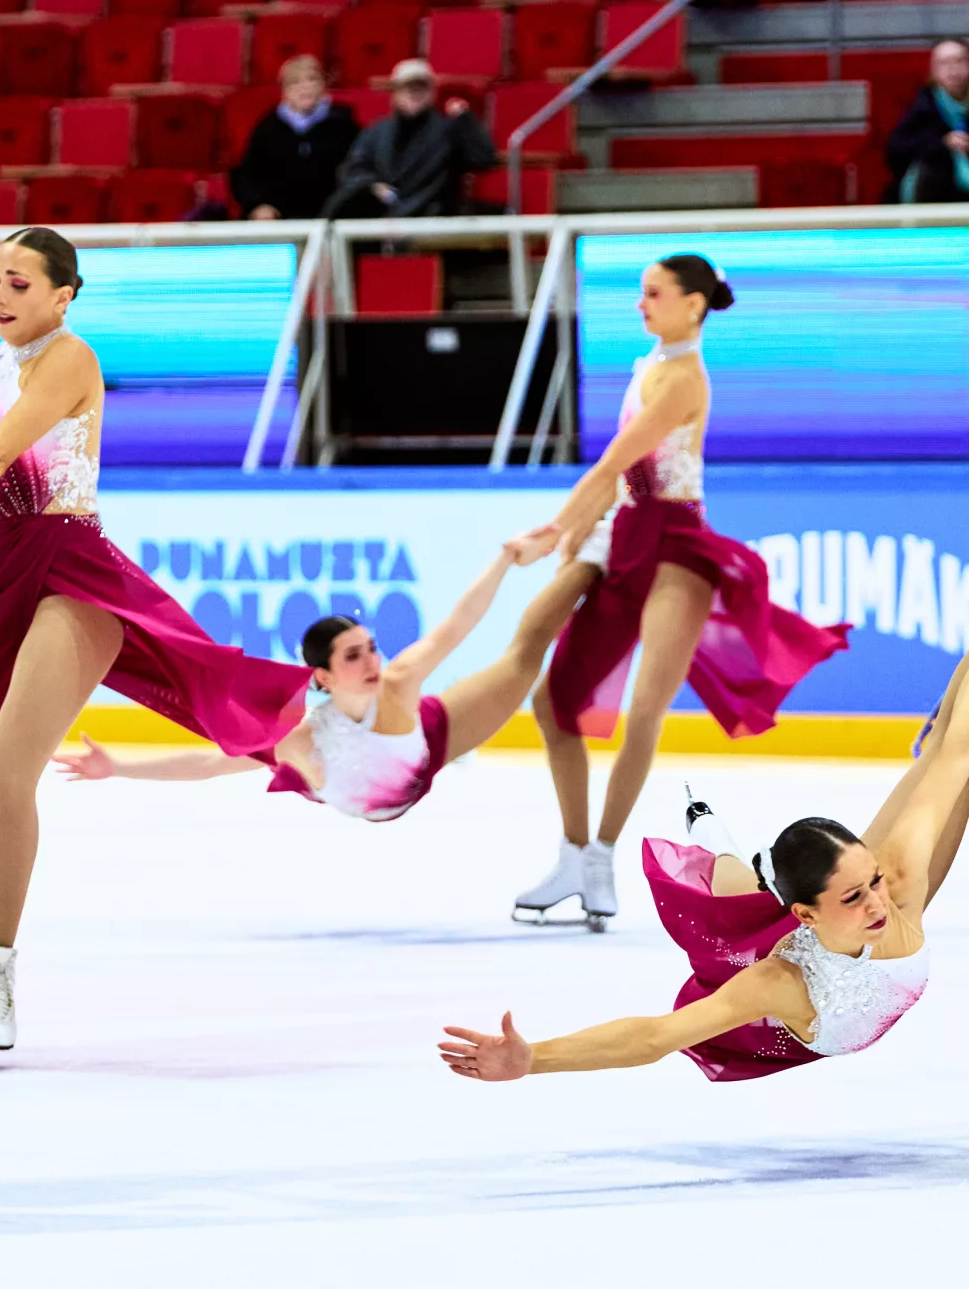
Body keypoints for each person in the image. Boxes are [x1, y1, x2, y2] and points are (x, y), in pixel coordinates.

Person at [0, 228, 312, 1069]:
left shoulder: (70, 357)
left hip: (70, 573)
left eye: (19, 283)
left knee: (11, 778)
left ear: (63, 295)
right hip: (2, 574)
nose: (0, 295)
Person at [441, 636, 969, 1090]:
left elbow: (956, 748)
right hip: (799, 985)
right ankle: (716, 832)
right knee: (732, 882)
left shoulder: (894, 881)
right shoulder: (777, 982)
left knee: (955, 764)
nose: (877, 904)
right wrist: (535, 1058)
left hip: (820, 919)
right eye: (853, 897)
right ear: (804, 914)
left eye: (868, 882)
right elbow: (654, 1037)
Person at [509, 255, 850, 932]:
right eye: (641, 293)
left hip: (678, 547)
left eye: (654, 293)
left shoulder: (687, 377)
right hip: (628, 533)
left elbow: (613, 460)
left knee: (644, 709)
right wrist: (581, 534)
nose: (642, 303)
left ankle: (602, 854)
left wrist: (554, 530)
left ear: (693, 304)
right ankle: (574, 851)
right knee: (555, 700)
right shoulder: (647, 366)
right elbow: (616, 474)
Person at [52, 523, 585, 823]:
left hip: (434, 739)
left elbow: (456, 626)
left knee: (524, 657)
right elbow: (210, 763)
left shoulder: (398, 684)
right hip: (369, 783)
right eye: (353, 656)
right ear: (323, 678)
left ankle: (589, 570)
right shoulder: (303, 740)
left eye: (371, 648)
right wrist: (117, 767)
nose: (372, 661)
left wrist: (505, 557)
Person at [321, 58, 497, 219]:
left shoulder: (448, 131)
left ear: (432, 93)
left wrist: (465, 120)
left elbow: (483, 159)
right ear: (395, 94)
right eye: (407, 88)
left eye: (421, 87)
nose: (414, 93)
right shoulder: (377, 131)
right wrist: (373, 185)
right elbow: (353, 168)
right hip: (381, 218)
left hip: (430, 218)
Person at [883, 38, 969, 203]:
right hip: (934, 191)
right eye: (944, 63)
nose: (952, 69)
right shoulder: (922, 106)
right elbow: (897, 149)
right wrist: (943, 144)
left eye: (959, 61)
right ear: (934, 71)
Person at [229, 55, 361, 222]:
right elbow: (247, 175)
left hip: (332, 215)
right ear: (284, 91)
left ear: (323, 85)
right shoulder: (269, 127)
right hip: (277, 216)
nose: (305, 88)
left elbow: (359, 171)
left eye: (312, 79)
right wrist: (258, 205)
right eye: (295, 82)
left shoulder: (343, 124)